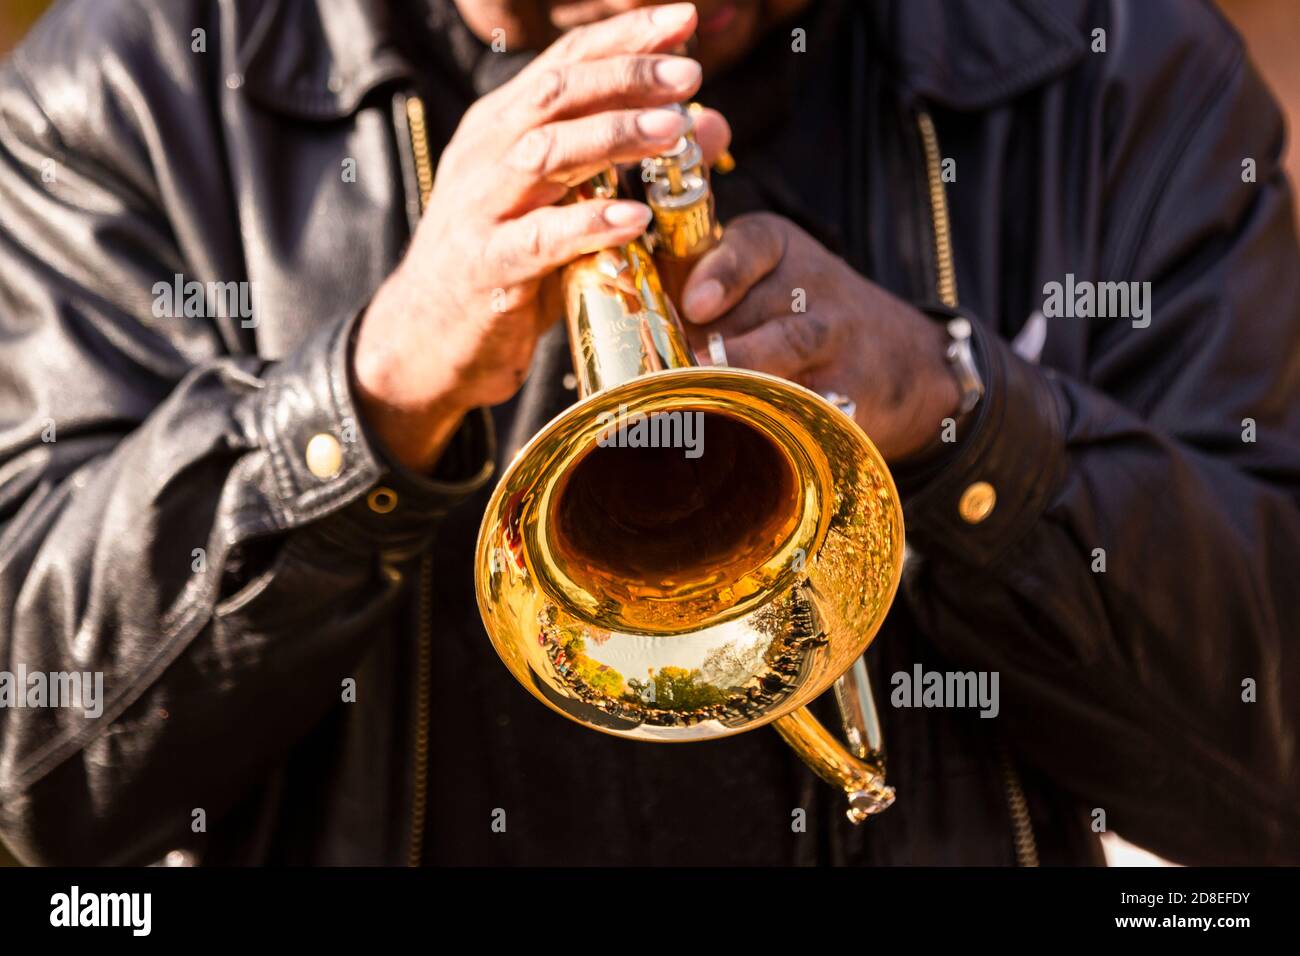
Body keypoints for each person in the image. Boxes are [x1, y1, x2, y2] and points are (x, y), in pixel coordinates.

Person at [0, 0, 1297, 867]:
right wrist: (368, 398)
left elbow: (1265, 769)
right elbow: (32, 787)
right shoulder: (122, 86)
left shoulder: (1122, 62)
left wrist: (961, 420)